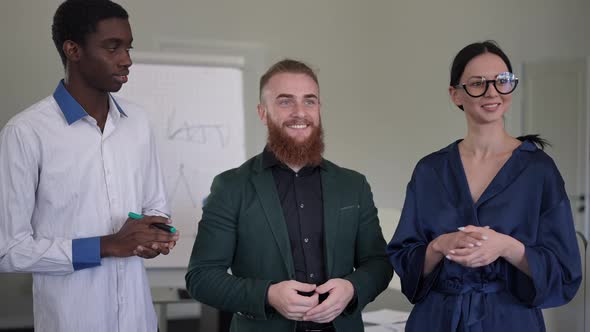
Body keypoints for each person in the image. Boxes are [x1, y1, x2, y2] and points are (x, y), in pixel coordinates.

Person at [0, 1, 179, 331]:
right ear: (73, 50)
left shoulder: (138, 122)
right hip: (72, 322)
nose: (127, 59)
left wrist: (154, 236)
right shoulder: (26, 133)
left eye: (128, 47)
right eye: (113, 47)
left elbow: (155, 207)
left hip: (139, 320)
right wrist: (108, 245)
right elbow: (8, 250)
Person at [387, 40, 582, 331]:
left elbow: (564, 270)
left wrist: (507, 247)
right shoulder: (430, 170)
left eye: (502, 81)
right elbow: (405, 259)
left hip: (510, 320)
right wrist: (440, 245)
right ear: (456, 95)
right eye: (478, 83)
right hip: (436, 319)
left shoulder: (539, 170)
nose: (492, 92)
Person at [185, 59, 393, 332]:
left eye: (310, 101)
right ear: (263, 112)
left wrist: (352, 288)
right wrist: (267, 295)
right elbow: (201, 277)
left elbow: (379, 263)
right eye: (285, 101)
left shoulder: (353, 185)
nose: (300, 112)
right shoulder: (231, 187)